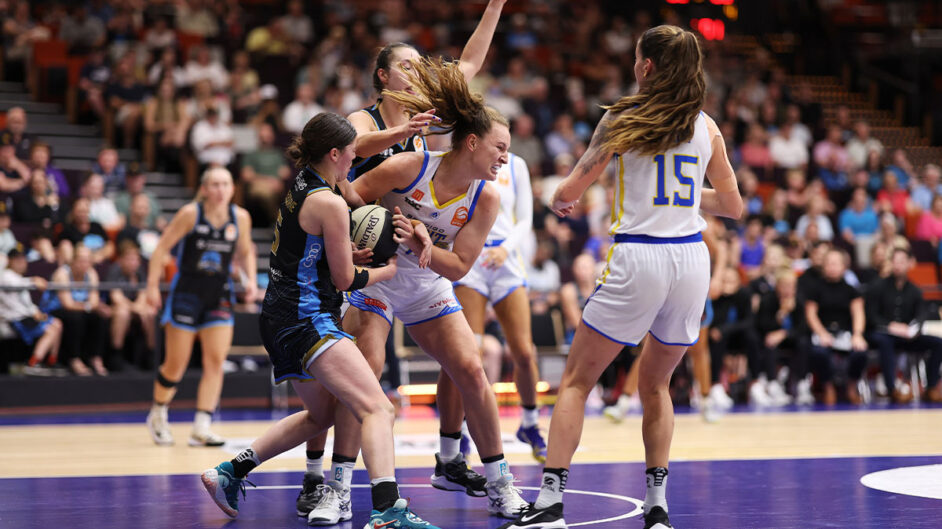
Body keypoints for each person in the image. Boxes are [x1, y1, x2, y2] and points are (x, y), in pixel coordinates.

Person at [498, 25, 743, 529]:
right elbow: (734, 206)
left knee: (576, 381)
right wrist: (677, 197)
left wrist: (558, 199)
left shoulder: (623, 116)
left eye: (637, 58)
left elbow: (575, 183)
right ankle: (657, 506)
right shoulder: (708, 125)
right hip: (690, 260)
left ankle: (549, 501)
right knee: (657, 386)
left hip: (641, 257)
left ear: (647, 66)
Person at [296, 1, 507, 518]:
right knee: (350, 378)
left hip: (406, 257)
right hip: (346, 245)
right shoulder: (367, 123)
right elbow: (342, 153)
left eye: (420, 65)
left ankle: (464, 467)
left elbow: (470, 63)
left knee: (452, 366)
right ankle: (319, 476)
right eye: (406, 65)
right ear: (383, 76)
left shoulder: (426, 127)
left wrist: (495, 6)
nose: (417, 72)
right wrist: (397, 136)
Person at [200, 112, 439, 529]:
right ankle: (387, 511)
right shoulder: (329, 201)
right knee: (379, 409)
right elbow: (347, 278)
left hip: (278, 318)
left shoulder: (307, 181)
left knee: (321, 416)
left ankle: (229, 472)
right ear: (334, 153)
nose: (354, 161)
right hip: (308, 318)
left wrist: (404, 226)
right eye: (350, 154)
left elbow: (331, 242)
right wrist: (388, 271)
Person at [144, 167, 257, 447]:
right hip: (186, 294)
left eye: (225, 184)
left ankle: (201, 426)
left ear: (232, 188)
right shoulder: (190, 214)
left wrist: (251, 280)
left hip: (219, 293)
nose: (220, 189)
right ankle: (158, 412)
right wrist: (150, 287)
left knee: (216, 362)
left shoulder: (240, 217)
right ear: (205, 189)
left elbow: (245, 251)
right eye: (215, 184)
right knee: (175, 366)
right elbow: (161, 250)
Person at [453, 150, 547, 461]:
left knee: (523, 350)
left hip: (506, 259)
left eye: (506, 142)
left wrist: (506, 249)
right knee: (470, 353)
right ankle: (464, 431)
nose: (503, 149)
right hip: (471, 257)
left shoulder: (516, 164)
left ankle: (530, 423)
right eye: (498, 142)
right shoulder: (463, 160)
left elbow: (525, 220)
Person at [865, 248, 942, 403]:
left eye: (902, 261)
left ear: (909, 264)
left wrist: (914, 328)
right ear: (891, 263)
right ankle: (891, 388)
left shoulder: (915, 290)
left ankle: (931, 386)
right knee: (885, 342)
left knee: (938, 343)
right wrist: (890, 325)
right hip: (882, 334)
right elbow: (871, 315)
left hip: (906, 335)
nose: (898, 265)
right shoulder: (877, 287)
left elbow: (921, 315)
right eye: (895, 261)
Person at [805, 249, 867, 405]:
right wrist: (821, 333)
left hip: (845, 333)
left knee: (860, 352)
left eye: (835, 263)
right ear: (823, 266)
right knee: (819, 353)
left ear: (844, 266)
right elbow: (811, 314)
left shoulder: (851, 290)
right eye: (828, 263)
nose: (832, 267)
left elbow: (858, 313)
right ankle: (828, 387)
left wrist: (857, 335)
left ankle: (851, 387)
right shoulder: (815, 288)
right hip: (823, 333)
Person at [0, 244, 62, 375]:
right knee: (52, 329)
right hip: (15, 319)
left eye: (23, 259)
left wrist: (35, 311)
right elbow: (15, 285)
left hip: (26, 317)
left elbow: (25, 303)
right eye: (18, 260)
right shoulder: (6, 275)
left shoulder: (20, 278)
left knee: (57, 324)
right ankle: (33, 363)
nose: (22, 263)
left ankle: (51, 361)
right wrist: (34, 280)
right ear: (10, 261)